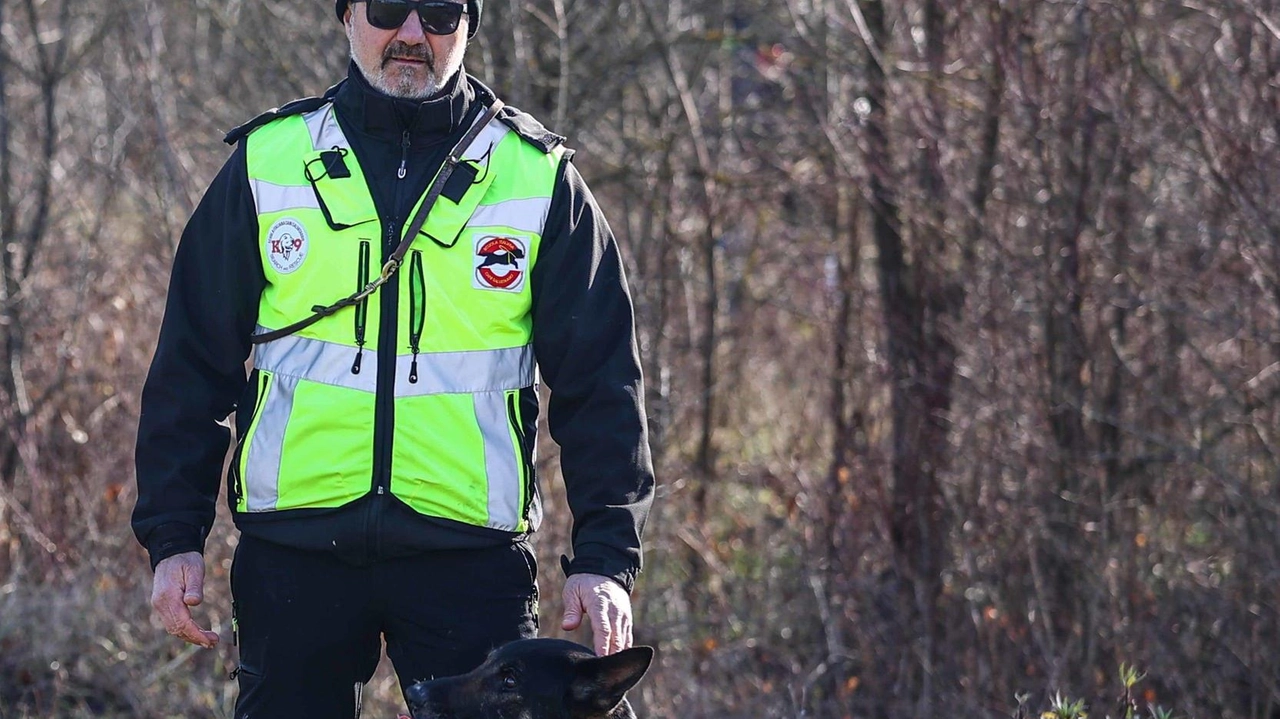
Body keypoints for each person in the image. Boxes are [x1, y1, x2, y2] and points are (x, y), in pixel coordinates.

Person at [130, 1, 655, 716]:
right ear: (346, 14)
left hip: (470, 563)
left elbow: (604, 385)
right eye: (389, 9)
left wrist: (606, 559)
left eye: (439, 13)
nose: (413, 34)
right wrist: (173, 535)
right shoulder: (269, 161)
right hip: (295, 557)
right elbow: (190, 365)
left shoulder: (537, 178)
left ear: (470, 25)